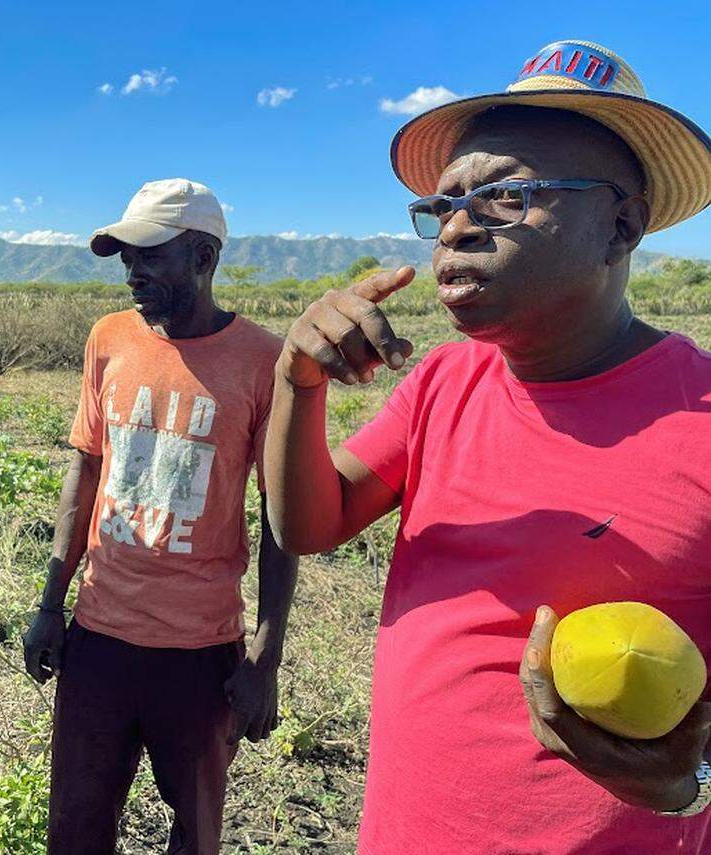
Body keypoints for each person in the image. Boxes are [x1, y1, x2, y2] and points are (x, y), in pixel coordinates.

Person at [265, 40, 711, 853]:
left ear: (621, 225)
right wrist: (297, 386)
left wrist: (691, 782)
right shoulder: (443, 381)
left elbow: (696, 758)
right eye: (444, 206)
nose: (456, 228)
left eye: (507, 194)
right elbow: (309, 524)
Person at [21, 178, 299, 854]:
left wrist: (265, 650)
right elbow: (85, 470)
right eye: (125, 257)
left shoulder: (264, 362)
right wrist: (50, 603)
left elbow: (280, 518)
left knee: (194, 832)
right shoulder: (109, 338)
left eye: (149, 256)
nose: (132, 273)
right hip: (99, 637)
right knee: (76, 831)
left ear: (203, 256)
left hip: (199, 653)